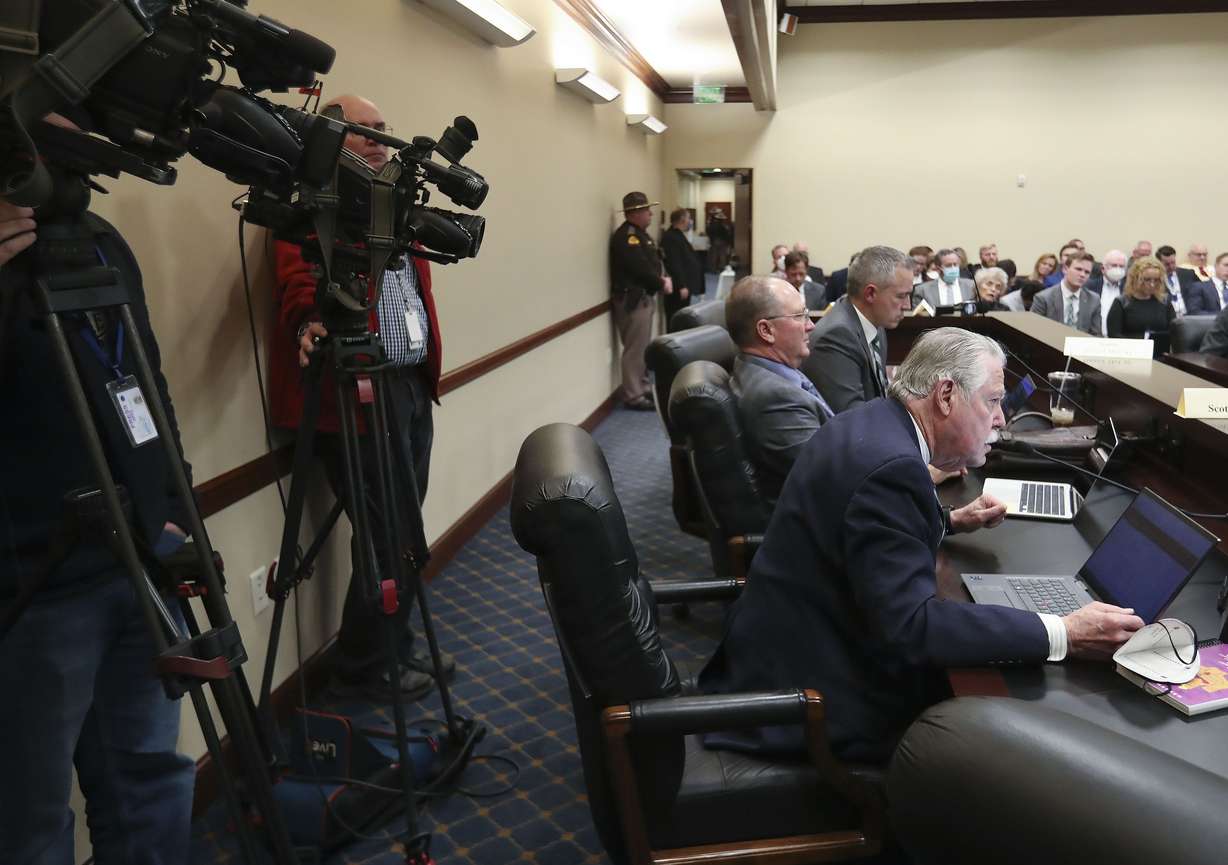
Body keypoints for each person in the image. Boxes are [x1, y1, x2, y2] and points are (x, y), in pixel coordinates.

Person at [699, 327, 1143, 763]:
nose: (1002, 418)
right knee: (1005, 747)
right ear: (946, 395)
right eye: (992, 401)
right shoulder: (892, 470)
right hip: (813, 697)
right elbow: (912, 628)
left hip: (782, 647)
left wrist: (946, 520)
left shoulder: (871, 421)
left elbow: (857, 530)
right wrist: (1064, 632)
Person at [1, 123, 196, 861]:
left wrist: (172, 506)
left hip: (137, 561)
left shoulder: (101, 240)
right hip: (30, 590)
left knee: (150, 782)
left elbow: (144, 378)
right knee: (31, 822)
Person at [269, 94, 453, 702]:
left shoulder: (392, 207)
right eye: (360, 131)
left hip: (407, 388)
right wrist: (306, 323)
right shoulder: (312, 209)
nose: (377, 140)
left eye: (382, 129)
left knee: (402, 529)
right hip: (352, 395)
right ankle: (365, 668)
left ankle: (388, 650)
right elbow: (298, 284)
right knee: (390, 533)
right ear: (329, 139)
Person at [726, 276, 833, 508]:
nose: (811, 325)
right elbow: (831, 475)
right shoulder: (774, 398)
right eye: (799, 316)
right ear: (766, 330)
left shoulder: (770, 370)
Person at [801, 245, 913, 413]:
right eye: (901, 296)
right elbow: (852, 419)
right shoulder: (836, 336)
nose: (908, 305)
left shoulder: (875, 324)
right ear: (870, 294)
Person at [609, 191, 672, 410]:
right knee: (634, 349)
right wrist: (661, 283)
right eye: (646, 210)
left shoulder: (640, 234)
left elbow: (652, 262)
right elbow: (640, 268)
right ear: (635, 213)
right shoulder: (628, 237)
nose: (651, 214)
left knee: (642, 347)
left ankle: (643, 386)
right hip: (632, 299)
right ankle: (634, 395)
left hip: (643, 297)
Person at [1105, 256, 1175, 349]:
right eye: (1147, 280)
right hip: (1130, 353)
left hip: (1160, 353)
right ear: (1135, 279)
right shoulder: (1122, 303)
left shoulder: (1164, 302)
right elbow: (1114, 335)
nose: (1152, 284)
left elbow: (1173, 332)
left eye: (1156, 280)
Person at [1029, 251, 1103, 335]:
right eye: (1078, 269)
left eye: (1087, 272)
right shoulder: (1044, 298)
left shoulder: (1093, 299)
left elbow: (1096, 334)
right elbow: (1033, 332)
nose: (1082, 275)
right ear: (1065, 269)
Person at [661, 208, 703, 325]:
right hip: (678, 287)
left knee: (682, 316)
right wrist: (682, 285)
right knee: (676, 317)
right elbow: (675, 264)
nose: (690, 221)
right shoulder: (671, 237)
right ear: (682, 219)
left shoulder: (678, 235)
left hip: (684, 284)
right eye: (689, 218)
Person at [1156, 244, 1215, 316]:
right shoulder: (1155, 278)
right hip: (1167, 316)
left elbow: (1204, 290)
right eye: (1167, 264)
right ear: (1159, 263)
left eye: (1173, 263)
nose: (1171, 266)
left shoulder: (1188, 274)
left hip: (1189, 316)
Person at [1084, 248, 1128, 335]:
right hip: (1094, 337)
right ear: (1103, 269)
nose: (1118, 269)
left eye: (1121, 266)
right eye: (1114, 265)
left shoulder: (1129, 289)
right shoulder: (1090, 286)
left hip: (1120, 339)